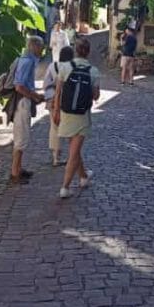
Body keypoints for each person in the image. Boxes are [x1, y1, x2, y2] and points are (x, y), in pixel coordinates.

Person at [53, 37, 101, 199]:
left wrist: (55, 111)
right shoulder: (93, 71)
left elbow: (58, 91)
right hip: (82, 116)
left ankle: (83, 177)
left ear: (75, 50)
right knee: (74, 153)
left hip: (66, 113)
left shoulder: (65, 67)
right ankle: (65, 187)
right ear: (88, 52)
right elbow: (95, 96)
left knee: (74, 149)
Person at [10, 36, 45, 184]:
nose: (42, 50)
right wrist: (35, 96)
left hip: (23, 101)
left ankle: (18, 168)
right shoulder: (28, 61)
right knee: (21, 138)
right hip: (22, 102)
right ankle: (15, 173)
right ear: (35, 47)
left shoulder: (25, 59)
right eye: (41, 47)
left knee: (21, 137)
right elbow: (19, 86)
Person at [43, 45, 74, 166]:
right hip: (67, 100)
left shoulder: (52, 66)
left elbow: (45, 84)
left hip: (52, 99)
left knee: (54, 127)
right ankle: (72, 155)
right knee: (70, 128)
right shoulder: (71, 68)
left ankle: (55, 157)